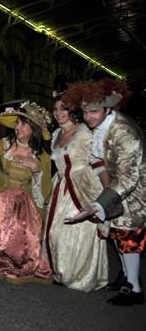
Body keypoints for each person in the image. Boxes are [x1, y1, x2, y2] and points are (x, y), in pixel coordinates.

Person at [63, 79, 145, 306]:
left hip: (136, 192)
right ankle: (128, 277)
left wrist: (99, 204)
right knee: (117, 235)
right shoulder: (103, 127)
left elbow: (129, 177)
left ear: (108, 109)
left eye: (94, 111)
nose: (88, 117)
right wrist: (104, 189)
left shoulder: (124, 134)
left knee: (129, 238)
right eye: (85, 112)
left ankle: (134, 290)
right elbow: (100, 159)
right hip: (119, 186)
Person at [0, 102, 53, 284]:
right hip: (1, 197)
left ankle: (20, 267)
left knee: (22, 230)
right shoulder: (4, 145)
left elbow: (44, 190)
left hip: (25, 203)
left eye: (23, 124)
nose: (18, 127)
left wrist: (35, 169)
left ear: (33, 129)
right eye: (17, 122)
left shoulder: (42, 156)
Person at [43, 95, 110, 291]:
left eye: (63, 108)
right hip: (61, 185)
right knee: (55, 232)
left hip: (82, 185)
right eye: (55, 109)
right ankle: (60, 270)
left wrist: (107, 193)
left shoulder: (83, 133)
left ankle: (78, 275)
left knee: (77, 233)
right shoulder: (55, 134)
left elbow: (99, 163)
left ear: (72, 110)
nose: (58, 113)